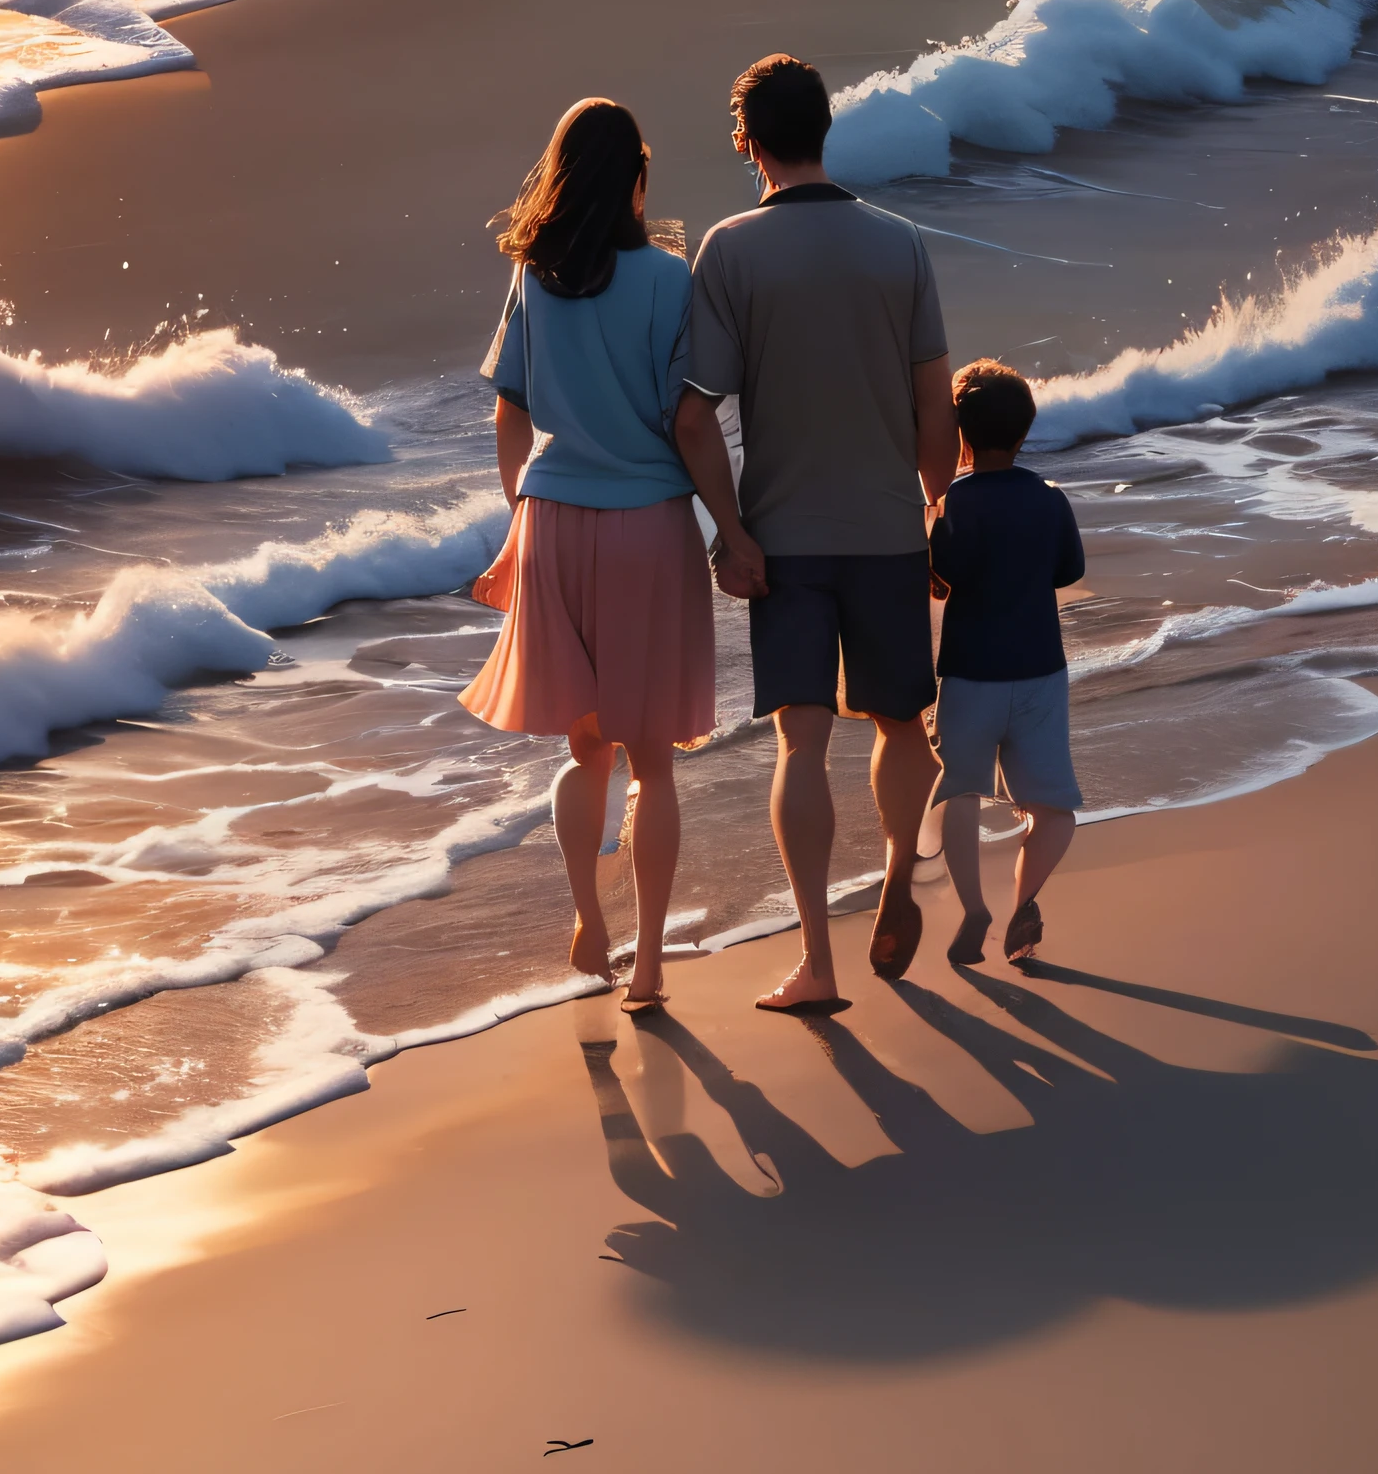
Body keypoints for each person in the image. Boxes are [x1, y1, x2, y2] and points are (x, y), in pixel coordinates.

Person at [671, 53, 956, 1015]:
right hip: (886, 527)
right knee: (902, 723)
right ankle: (892, 881)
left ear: (746, 138)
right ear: (826, 129)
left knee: (801, 741)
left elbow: (695, 414)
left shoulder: (730, 249)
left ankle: (817, 966)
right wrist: (937, 510)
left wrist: (732, 530)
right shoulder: (901, 243)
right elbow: (934, 404)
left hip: (786, 536)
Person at [461, 96, 733, 1012]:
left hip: (554, 522)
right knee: (655, 761)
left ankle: (589, 920)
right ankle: (649, 965)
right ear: (636, 180)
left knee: (587, 751)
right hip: (649, 522)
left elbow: (511, 410)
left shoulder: (534, 279)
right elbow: (688, 423)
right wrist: (732, 529)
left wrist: (522, 516)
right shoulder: (669, 280)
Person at [926, 358, 1086, 972]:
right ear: (1025, 433)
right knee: (1053, 809)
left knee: (961, 792)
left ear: (960, 435)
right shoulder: (1049, 498)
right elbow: (1068, 571)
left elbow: (945, 573)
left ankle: (974, 908)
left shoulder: (956, 502)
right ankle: (1027, 899)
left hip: (969, 674)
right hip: (1041, 670)